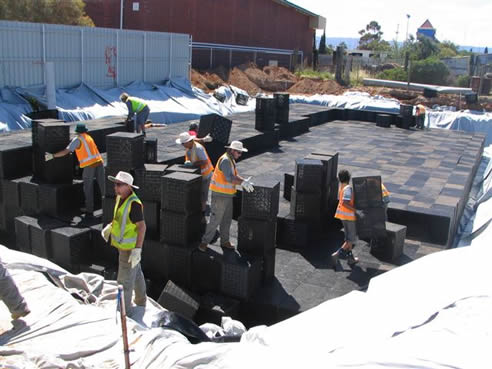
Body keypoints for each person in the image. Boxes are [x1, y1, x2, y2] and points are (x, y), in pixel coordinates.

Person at [101, 171, 146, 317]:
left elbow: (142, 227)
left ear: (128, 186)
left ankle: (123, 311)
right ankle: (141, 301)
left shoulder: (134, 204)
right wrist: (110, 226)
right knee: (136, 273)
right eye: (115, 184)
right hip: (123, 246)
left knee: (124, 281)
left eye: (119, 185)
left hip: (129, 249)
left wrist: (137, 250)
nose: (116, 187)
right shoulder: (120, 198)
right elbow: (121, 219)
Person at [198, 141, 254, 252]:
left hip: (227, 195)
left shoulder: (230, 159)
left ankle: (225, 241)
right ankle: (204, 243)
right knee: (215, 220)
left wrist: (243, 180)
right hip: (220, 196)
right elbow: (229, 178)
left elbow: (234, 175)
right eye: (239, 152)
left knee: (226, 220)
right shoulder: (225, 160)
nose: (240, 155)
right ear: (232, 150)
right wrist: (242, 183)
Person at [45, 123, 105, 217]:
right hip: (99, 162)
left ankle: (89, 209)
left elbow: (66, 151)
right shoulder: (88, 137)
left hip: (90, 165)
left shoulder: (77, 140)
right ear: (85, 130)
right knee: (103, 186)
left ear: (77, 132)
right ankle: (109, 207)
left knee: (88, 187)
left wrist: (53, 156)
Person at [176, 132, 214, 220]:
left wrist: (193, 164)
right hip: (198, 173)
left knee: (204, 193)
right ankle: (198, 208)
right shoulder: (190, 147)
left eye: (183, 143)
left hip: (205, 174)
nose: (182, 145)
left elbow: (204, 161)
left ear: (188, 142)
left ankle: (203, 213)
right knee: (198, 192)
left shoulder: (198, 149)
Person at [331, 169, 359, 268]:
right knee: (350, 239)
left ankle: (350, 259)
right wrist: (356, 210)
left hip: (343, 216)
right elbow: (345, 202)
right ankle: (337, 254)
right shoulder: (348, 188)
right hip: (349, 217)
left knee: (348, 238)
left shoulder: (342, 187)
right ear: (349, 177)